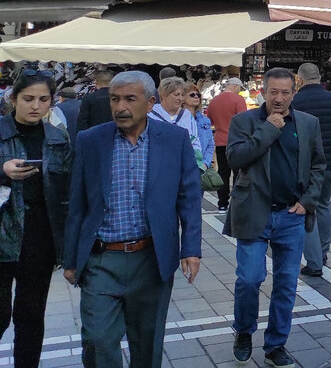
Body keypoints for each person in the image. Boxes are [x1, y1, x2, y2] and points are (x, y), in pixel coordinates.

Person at [63, 70, 203, 368]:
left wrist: (190, 248)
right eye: (115, 99)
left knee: (147, 343)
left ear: (150, 103)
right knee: (98, 341)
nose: (120, 107)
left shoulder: (174, 139)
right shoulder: (91, 140)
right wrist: (71, 258)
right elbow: (78, 204)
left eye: (130, 99)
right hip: (101, 260)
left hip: (151, 259)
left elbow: (189, 198)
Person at [224, 67, 325, 367]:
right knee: (250, 278)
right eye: (273, 92)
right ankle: (243, 329)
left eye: (285, 92)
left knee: (286, 284)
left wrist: (308, 201)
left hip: (291, 215)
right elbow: (235, 158)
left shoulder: (308, 123)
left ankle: (275, 345)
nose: (279, 98)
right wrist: (269, 127)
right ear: (263, 93)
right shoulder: (244, 121)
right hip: (254, 211)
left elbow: (319, 165)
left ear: (294, 93)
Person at [0, 70, 73, 367]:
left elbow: (66, 189)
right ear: (14, 99)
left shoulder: (57, 137)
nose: (35, 106)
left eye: (43, 99)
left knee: (30, 316)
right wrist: (1, 170)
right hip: (2, 233)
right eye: (28, 98)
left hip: (40, 237)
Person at [290, 63, 331, 278]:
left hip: (304, 165)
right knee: (324, 204)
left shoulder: (295, 101)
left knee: (308, 207)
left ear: (299, 80)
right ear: (320, 78)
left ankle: (314, 260)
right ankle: (324, 250)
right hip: (330, 163)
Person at [207, 77, 247, 213]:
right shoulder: (238, 100)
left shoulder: (214, 101)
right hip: (236, 141)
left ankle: (222, 204)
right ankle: (236, 202)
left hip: (219, 140)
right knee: (238, 173)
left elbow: (210, 121)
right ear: (235, 86)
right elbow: (243, 122)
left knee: (223, 172)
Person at [150, 77, 202, 164]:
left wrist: (197, 163)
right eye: (176, 94)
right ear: (164, 95)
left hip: (184, 164)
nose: (180, 98)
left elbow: (195, 141)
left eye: (182, 95)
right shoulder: (151, 115)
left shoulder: (187, 115)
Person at [182, 82, 216, 170]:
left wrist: (205, 164)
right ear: (182, 98)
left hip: (201, 166)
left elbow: (210, 144)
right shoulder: (176, 119)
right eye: (192, 95)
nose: (196, 97)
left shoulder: (205, 120)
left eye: (198, 95)